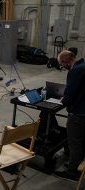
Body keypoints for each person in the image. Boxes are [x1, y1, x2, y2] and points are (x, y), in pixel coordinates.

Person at [54, 50, 85, 181]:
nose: (62, 67)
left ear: (67, 62)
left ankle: (72, 171)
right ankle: (78, 163)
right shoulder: (82, 65)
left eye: (62, 64)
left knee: (74, 142)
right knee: (81, 140)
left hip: (78, 112)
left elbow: (71, 92)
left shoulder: (75, 71)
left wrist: (64, 100)